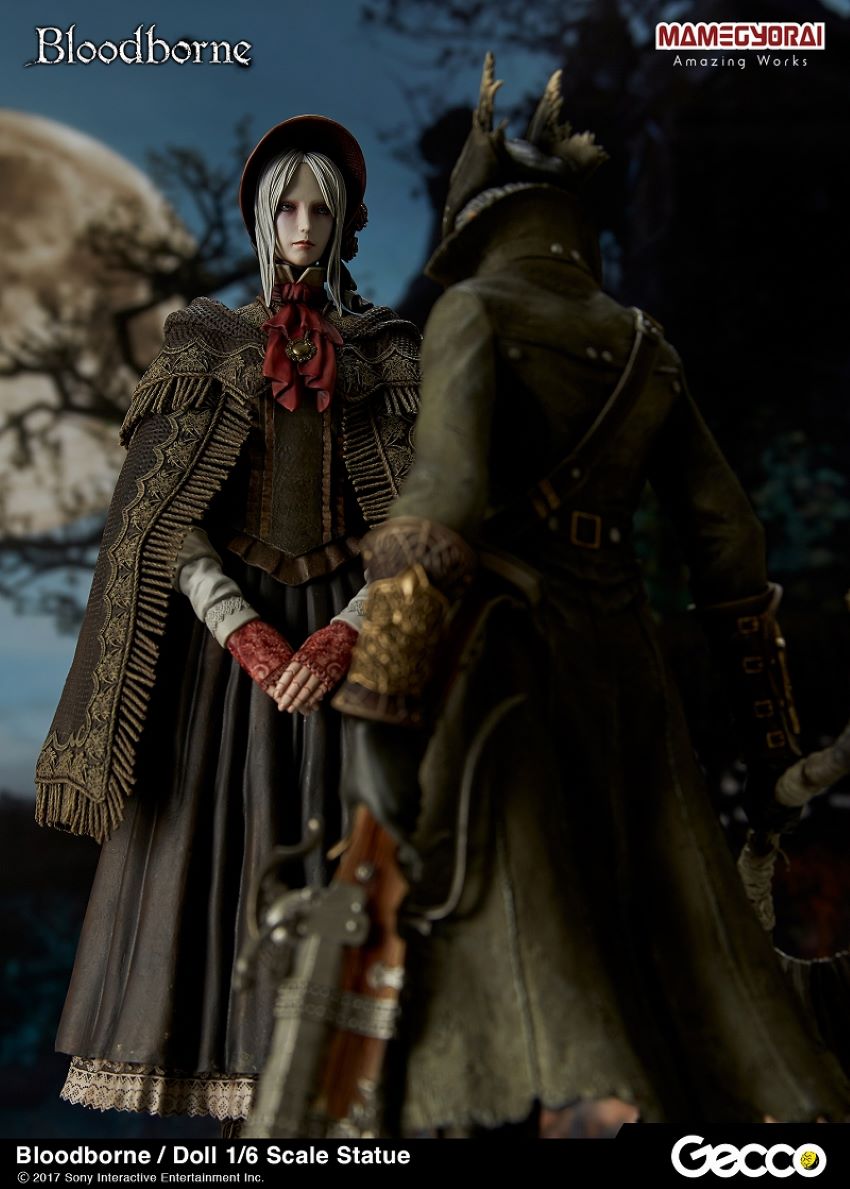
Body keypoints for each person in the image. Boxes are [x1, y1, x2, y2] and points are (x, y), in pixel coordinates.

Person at [334, 58, 850, 1130]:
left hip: (503, 671)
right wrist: (772, 746)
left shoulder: (470, 310)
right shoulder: (644, 345)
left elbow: (441, 501)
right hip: (630, 673)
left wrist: (382, 697)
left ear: (478, 226)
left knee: (491, 954)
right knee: (672, 942)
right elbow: (730, 540)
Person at [35, 115, 420, 1128]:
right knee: (212, 872)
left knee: (359, 859)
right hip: (221, 663)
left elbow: (421, 520)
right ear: (261, 216)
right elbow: (157, 519)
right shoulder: (202, 342)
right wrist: (245, 631)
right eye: (287, 206)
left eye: (321, 208)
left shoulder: (391, 354)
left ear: (344, 220)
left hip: (349, 648)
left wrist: (346, 631)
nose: (303, 226)